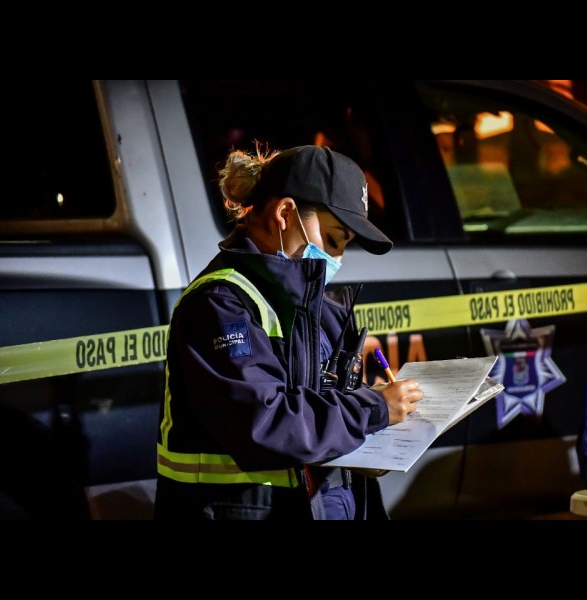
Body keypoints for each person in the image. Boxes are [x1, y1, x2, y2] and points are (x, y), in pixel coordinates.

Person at [154, 144, 424, 520]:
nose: (338, 259)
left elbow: (321, 413)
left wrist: (364, 446)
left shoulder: (314, 306)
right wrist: (373, 410)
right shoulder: (219, 305)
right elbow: (265, 422)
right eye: (334, 239)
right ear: (285, 213)